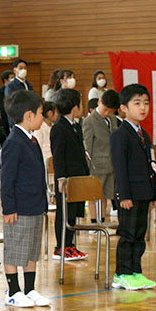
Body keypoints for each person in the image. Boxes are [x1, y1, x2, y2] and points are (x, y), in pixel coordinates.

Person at [0, 90, 50, 308]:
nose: (42, 117)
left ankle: (29, 288)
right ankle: (13, 290)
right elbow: (7, 178)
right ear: (29, 115)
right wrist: (9, 207)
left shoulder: (32, 140)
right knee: (15, 249)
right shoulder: (14, 142)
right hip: (18, 207)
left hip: (34, 205)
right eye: (40, 113)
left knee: (31, 249)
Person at [111, 83, 156, 290]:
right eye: (137, 103)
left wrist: (154, 195)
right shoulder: (120, 135)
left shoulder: (144, 134)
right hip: (129, 194)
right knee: (128, 234)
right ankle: (121, 273)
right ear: (124, 108)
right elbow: (120, 169)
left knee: (140, 234)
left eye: (146, 103)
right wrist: (123, 196)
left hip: (143, 193)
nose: (143, 108)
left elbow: (152, 165)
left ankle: (136, 271)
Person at [50, 88, 89, 261]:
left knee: (73, 213)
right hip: (66, 178)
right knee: (64, 213)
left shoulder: (76, 126)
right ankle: (61, 246)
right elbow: (58, 156)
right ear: (74, 107)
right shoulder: (59, 128)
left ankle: (70, 244)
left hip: (78, 177)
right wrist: (61, 178)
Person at [83, 89, 120, 223]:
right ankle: (94, 222)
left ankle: (102, 221)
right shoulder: (89, 121)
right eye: (105, 109)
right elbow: (87, 146)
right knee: (94, 195)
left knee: (105, 195)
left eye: (110, 111)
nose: (107, 113)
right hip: (96, 165)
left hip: (110, 164)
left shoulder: (113, 119)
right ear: (99, 102)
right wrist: (88, 166)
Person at [0, 70, 15, 142]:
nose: (14, 79)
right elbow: (1, 107)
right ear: (6, 80)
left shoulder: (14, 90)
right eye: (12, 77)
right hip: (4, 120)